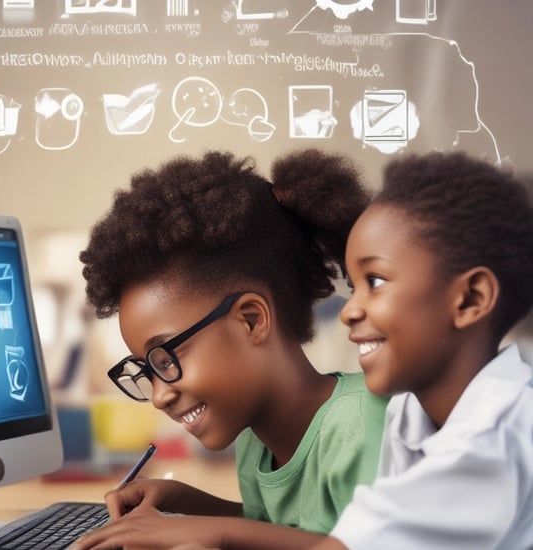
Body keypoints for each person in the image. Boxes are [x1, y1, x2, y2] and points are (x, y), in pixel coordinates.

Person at [72, 149, 388, 549]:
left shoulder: (365, 423)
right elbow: (288, 531)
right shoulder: (256, 441)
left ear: (251, 320)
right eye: (145, 370)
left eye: (166, 358)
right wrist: (185, 503)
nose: (158, 396)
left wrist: (209, 532)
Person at [303, 150, 533, 549]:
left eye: (374, 281)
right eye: (352, 286)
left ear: (469, 300)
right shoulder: (409, 412)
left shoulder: (494, 436)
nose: (350, 311)